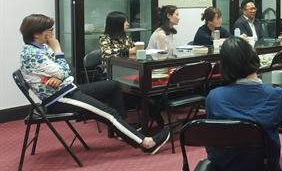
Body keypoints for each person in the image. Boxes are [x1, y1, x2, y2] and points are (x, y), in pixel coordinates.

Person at [19, 14, 170, 154]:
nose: (52, 33)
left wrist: (60, 76)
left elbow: (63, 71)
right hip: (59, 98)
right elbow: (65, 70)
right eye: (49, 30)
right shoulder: (33, 54)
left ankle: (123, 129)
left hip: (68, 88)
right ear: (36, 34)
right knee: (109, 113)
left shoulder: (42, 47)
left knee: (113, 85)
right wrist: (58, 51)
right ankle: (147, 144)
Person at [205, 37, 282, 171]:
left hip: (223, 163)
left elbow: (212, 130)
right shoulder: (277, 95)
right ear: (254, 58)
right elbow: (279, 122)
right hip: (262, 164)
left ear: (224, 66)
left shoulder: (214, 97)